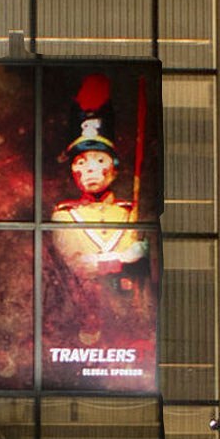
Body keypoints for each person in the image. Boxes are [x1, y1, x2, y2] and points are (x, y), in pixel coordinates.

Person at [45, 73, 151, 381]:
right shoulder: (64, 217)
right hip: (85, 326)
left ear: (114, 169)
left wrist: (143, 251)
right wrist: (126, 257)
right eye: (80, 163)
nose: (89, 170)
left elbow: (148, 266)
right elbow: (80, 264)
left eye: (99, 160)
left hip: (132, 325)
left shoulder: (131, 212)